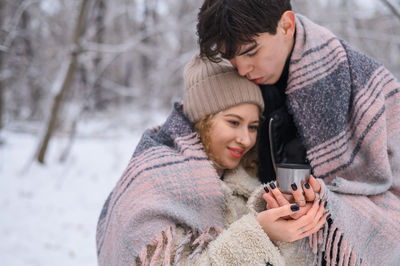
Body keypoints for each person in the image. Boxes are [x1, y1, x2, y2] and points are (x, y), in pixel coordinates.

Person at [197, 0, 400, 265]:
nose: (242, 70)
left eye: (251, 52)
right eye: (230, 58)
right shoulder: (227, 80)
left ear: (286, 25)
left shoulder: (370, 86)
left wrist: (328, 204)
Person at [96, 55, 328, 265]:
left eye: (253, 126)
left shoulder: (241, 181)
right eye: (233, 122)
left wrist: (287, 223)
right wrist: (259, 233)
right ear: (203, 119)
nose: (246, 139)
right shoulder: (155, 182)